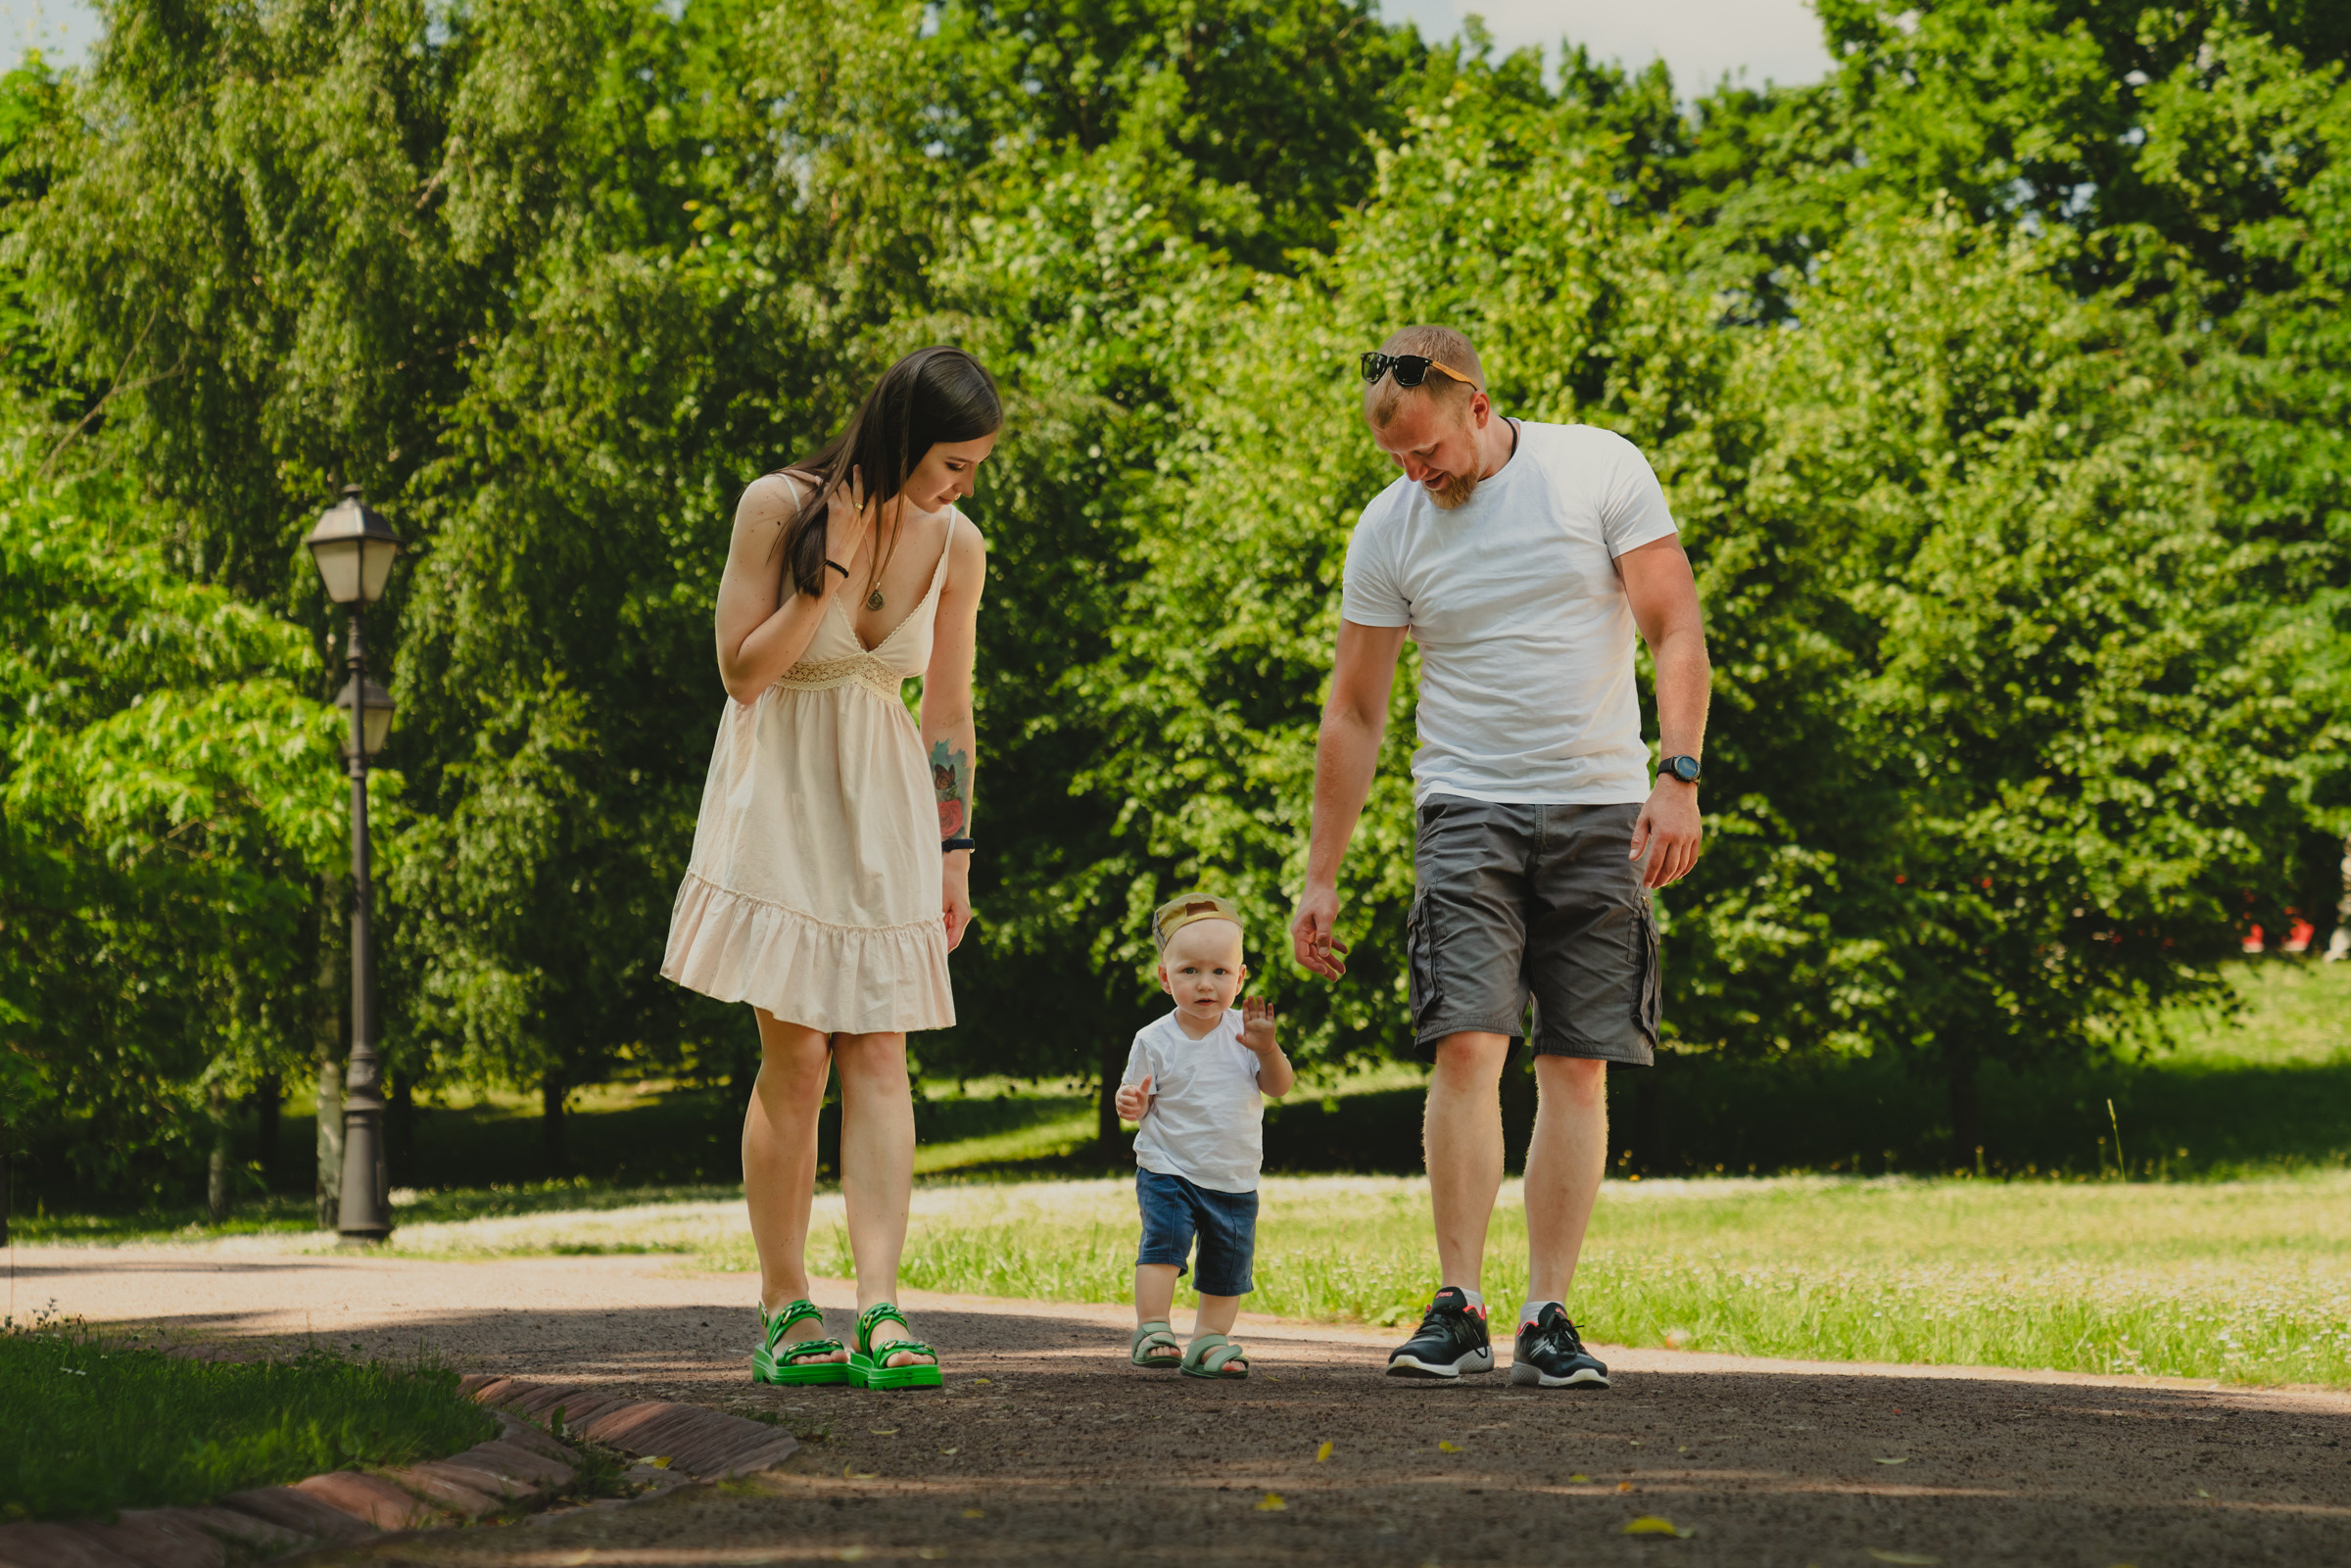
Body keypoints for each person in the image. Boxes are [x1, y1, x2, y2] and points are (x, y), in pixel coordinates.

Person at [1288, 325, 1709, 1390]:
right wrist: (1321, 869)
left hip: (1602, 804)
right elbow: (1355, 709)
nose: (1416, 472)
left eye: (1427, 449)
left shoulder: (1597, 467)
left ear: (1477, 404)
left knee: (1577, 1060)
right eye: (1397, 459)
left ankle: (1549, 1311)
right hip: (1466, 807)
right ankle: (1458, 1303)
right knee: (1468, 1045)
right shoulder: (1390, 527)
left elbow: (1673, 625)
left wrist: (1680, 774)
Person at [662, 346, 998, 1391]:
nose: (961, 485)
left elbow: (947, 710)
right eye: (951, 462)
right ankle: (783, 1299)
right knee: (798, 1054)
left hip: (884, 804)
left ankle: (883, 1308)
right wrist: (837, 564)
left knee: (881, 1052)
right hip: (779, 794)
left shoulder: (959, 545)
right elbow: (742, 671)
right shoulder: (777, 506)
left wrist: (955, 848)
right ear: (903, 437)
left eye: (974, 466)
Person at [1115, 894, 1293, 1380]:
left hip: (1233, 1176)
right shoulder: (1154, 1039)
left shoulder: (1249, 1034)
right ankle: (1153, 1328)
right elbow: (1137, 1097)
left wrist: (1269, 1047)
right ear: (1164, 976)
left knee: (1228, 1263)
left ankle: (1210, 1340)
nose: (1204, 984)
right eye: (1189, 970)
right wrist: (1130, 1103)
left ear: (1240, 978)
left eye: (1219, 972)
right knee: (1164, 1247)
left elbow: (1278, 1087)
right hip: (1168, 1168)